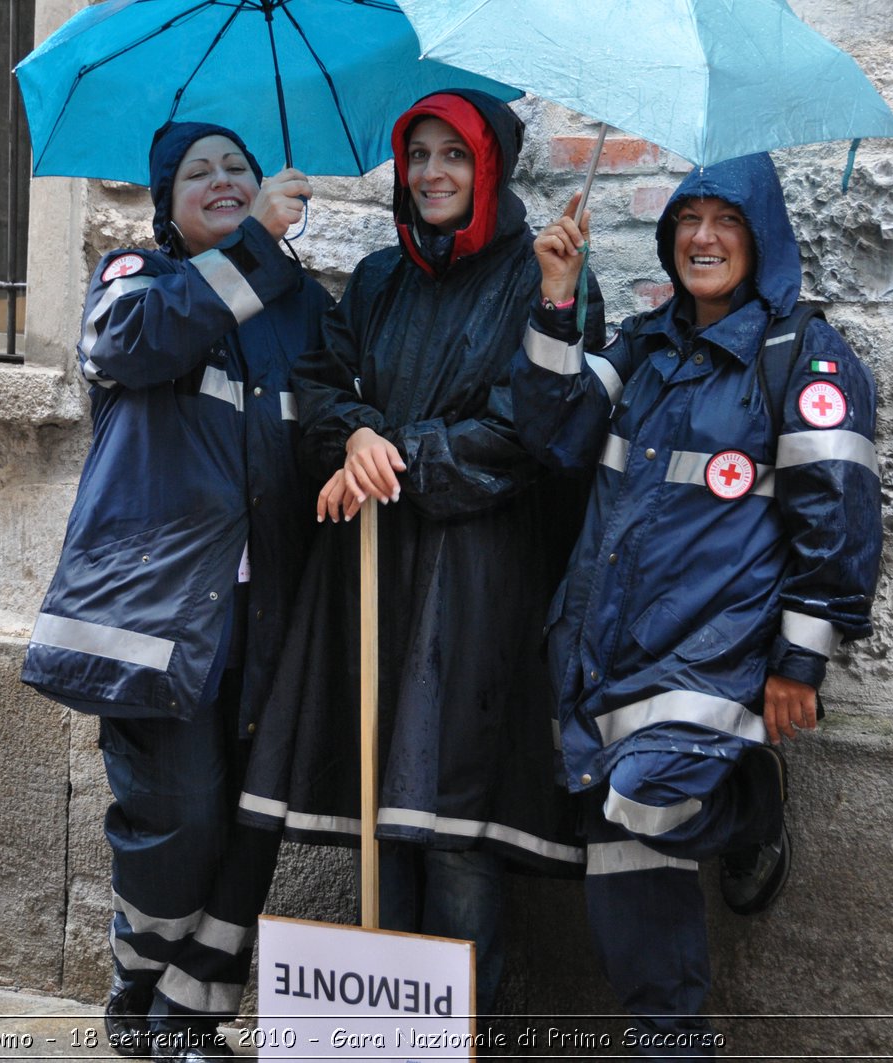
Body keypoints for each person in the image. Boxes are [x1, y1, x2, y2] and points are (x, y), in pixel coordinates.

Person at [237, 89, 604, 1017]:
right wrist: (356, 433)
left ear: (489, 168)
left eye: (454, 156)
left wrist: (395, 457)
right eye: (419, 155)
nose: (432, 174)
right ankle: (376, 1034)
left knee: (457, 819)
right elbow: (323, 384)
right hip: (372, 572)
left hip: (476, 577)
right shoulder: (375, 279)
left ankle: (453, 1030)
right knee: (378, 808)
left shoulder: (545, 276)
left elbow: (531, 433)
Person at [511, 153, 882, 1056]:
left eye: (727, 221)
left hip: (717, 647)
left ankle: (749, 804)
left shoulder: (803, 354)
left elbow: (837, 512)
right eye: (689, 219)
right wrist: (559, 300)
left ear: (762, 240)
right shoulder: (641, 344)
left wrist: (801, 660)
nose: (703, 238)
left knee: (644, 801)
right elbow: (552, 433)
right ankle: (668, 1033)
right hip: (609, 642)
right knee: (616, 830)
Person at [22, 121, 331, 1063]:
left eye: (239, 168)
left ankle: (191, 1018)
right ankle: (140, 992)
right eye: (200, 172)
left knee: (250, 817)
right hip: (156, 621)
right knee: (180, 811)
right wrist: (255, 244)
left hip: (268, 609)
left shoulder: (302, 305)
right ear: (167, 202)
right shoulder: (132, 281)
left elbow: (324, 414)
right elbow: (137, 346)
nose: (225, 180)